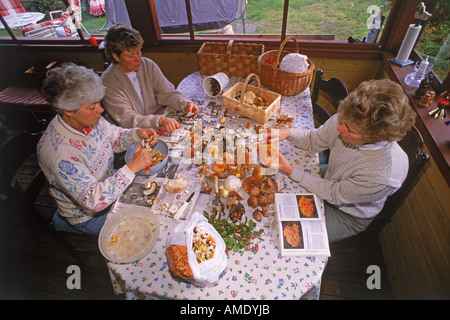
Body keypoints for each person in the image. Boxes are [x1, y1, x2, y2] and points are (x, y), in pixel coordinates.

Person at [264, 79, 416, 242]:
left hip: (348, 215)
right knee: (275, 193)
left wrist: (290, 170)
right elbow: (313, 140)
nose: (339, 128)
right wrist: (287, 133)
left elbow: (333, 193)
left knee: (284, 235)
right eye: (342, 120)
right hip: (331, 178)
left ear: (376, 137)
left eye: (350, 129)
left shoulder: (385, 175)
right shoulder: (350, 118)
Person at [38, 63, 158, 235]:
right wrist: (131, 168)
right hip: (89, 215)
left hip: (109, 182)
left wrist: (138, 133)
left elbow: (115, 139)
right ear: (68, 111)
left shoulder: (89, 120)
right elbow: (94, 201)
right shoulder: (58, 154)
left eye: (98, 103)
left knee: (156, 201)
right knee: (146, 229)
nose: (101, 110)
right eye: (92, 107)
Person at [101, 23, 199, 133]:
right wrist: (158, 121)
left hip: (156, 121)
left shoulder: (147, 65)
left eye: (139, 52)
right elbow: (127, 119)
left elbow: (166, 92)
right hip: (130, 133)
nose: (138, 59)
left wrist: (184, 103)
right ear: (115, 56)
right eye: (131, 56)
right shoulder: (108, 83)